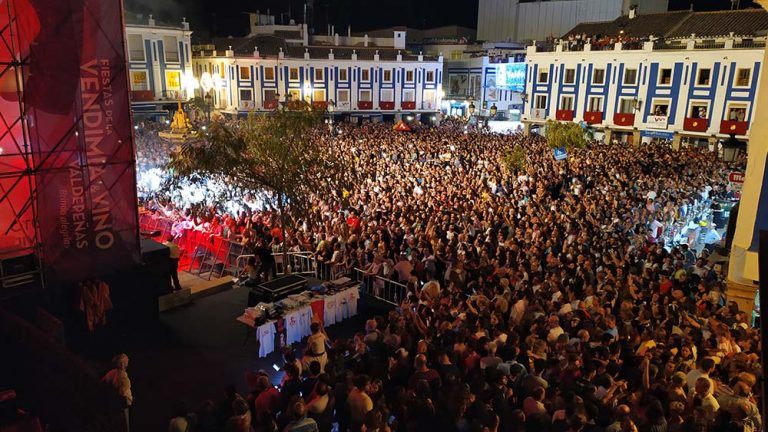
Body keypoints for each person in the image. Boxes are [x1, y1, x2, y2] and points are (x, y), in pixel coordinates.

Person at [102, 353, 133, 431]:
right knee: (123, 425)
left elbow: (103, 383)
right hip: (121, 403)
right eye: (126, 360)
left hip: (117, 403)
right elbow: (123, 391)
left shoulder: (111, 373)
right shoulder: (119, 374)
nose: (128, 361)